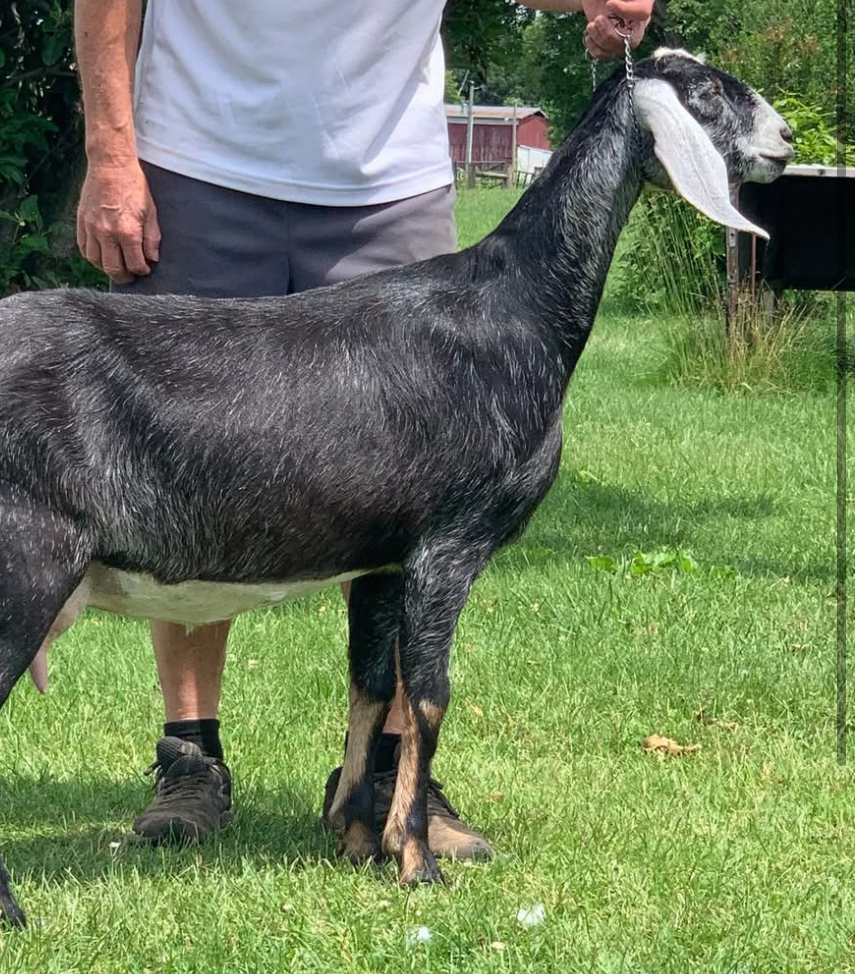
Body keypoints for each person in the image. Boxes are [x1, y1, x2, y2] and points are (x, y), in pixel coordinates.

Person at [74, 0, 655, 852]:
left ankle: (387, 773)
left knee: (412, 497)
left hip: (388, 186)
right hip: (196, 165)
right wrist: (110, 155)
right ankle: (189, 758)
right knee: (191, 475)